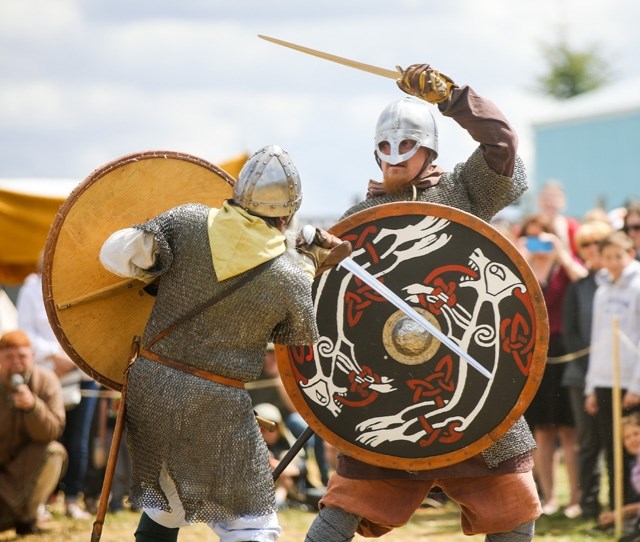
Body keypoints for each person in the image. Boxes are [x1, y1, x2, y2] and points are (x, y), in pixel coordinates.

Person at [305, 63, 542, 542]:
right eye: (386, 150)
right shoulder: (360, 219)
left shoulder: (463, 193)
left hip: (469, 384)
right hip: (389, 391)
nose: (394, 159)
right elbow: (328, 305)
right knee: (343, 508)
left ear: (428, 150)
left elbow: (502, 146)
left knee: (514, 511)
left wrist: (455, 97)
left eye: (405, 147)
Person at [99, 144, 351, 542]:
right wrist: (310, 261)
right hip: (214, 399)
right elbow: (295, 333)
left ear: (237, 195)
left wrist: (157, 274)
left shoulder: (187, 223)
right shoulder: (290, 274)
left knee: (166, 502)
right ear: (287, 214)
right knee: (251, 522)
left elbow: (113, 254)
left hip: (151, 386)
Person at [16, 259, 99, 520]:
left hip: (81, 373)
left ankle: (72, 499)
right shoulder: (31, 287)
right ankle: (41, 500)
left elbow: (91, 327)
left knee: (78, 441)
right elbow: (25, 332)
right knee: (47, 436)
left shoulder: (82, 283)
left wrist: (73, 360)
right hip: (47, 374)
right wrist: (54, 356)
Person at [517, 214, 587, 518]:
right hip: (534, 353)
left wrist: (561, 252)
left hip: (563, 350)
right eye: (531, 237)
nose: (538, 244)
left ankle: (575, 497)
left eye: (542, 237)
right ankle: (548, 497)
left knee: (569, 432)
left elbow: (584, 278)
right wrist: (522, 255)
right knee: (542, 433)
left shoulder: (562, 265)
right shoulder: (525, 264)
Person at [585, 230, 640, 514]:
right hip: (605, 379)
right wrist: (591, 386)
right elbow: (597, 338)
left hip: (631, 381)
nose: (613, 262)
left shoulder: (638, 286)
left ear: (629, 254)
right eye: (607, 257)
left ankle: (634, 511)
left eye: (618, 256)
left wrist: (636, 385)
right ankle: (617, 510)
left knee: (634, 450)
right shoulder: (602, 290)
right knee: (611, 449)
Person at [562, 219, 613, 520]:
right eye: (585, 245)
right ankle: (589, 505)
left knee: (615, 441)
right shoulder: (578, 287)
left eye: (597, 243)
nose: (591, 250)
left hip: (617, 374)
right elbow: (570, 332)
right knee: (588, 443)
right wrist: (590, 365)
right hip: (581, 376)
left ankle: (620, 505)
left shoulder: (623, 282)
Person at [0, 330, 67, 536]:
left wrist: (33, 408)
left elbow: (54, 430)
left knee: (54, 452)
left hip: (24, 468)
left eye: (22, 356)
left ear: (33, 357)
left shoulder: (47, 381)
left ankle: (26, 517)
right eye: (9, 357)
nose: (16, 362)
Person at [248, 343, 329, 488]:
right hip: (259, 423)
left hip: (284, 424)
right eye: (269, 353)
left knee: (313, 427)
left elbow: (295, 410)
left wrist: (278, 377)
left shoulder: (287, 374)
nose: (273, 357)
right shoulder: (254, 375)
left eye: (275, 353)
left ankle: (323, 480)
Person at [254, 402, 306, 509]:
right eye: (261, 429)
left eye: (271, 427)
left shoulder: (288, 448)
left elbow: (295, 470)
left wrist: (270, 461)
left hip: (291, 490)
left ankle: (276, 503)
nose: (265, 432)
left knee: (285, 473)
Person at [597, 412, 640, 540]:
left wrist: (620, 513)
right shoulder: (635, 465)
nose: (632, 439)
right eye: (626, 437)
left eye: (636, 434)